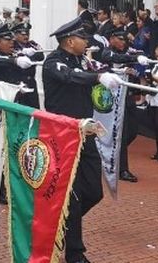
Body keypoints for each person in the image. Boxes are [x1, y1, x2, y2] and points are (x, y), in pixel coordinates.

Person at [42, 16, 123, 263]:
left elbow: (101, 66)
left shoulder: (83, 60)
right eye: (82, 38)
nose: (86, 42)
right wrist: (97, 78)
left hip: (85, 131)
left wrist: (116, 71)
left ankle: (62, 224)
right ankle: (75, 254)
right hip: (62, 135)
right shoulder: (53, 62)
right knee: (74, 195)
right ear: (69, 41)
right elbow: (69, 76)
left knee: (94, 192)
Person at [97, 27, 147, 182]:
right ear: (112, 39)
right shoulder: (107, 52)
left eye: (125, 40)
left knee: (132, 131)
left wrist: (138, 58)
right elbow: (115, 60)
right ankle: (122, 169)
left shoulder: (128, 51)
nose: (123, 43)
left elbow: (139, 58)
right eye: (120, 40)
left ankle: (116, 152)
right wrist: (127, 64)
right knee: (120, 133)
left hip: (128, 97)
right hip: (113, 100)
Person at [0, 24, 36, 107]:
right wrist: (14, 61)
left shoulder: (14, 53)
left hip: (17, 99)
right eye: (8, 39)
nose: (12, 42)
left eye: (12, 39)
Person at [12, 22, 44, 108]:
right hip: (17, 81)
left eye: (27, 34)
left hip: (31, 81)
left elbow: (41, 56)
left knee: (34, 108)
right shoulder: (11, 45)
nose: (26, 36)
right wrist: (23, 53)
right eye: (23, 34)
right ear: (15, 34)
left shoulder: (32, 44)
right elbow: (12, 56)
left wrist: (27, 55)